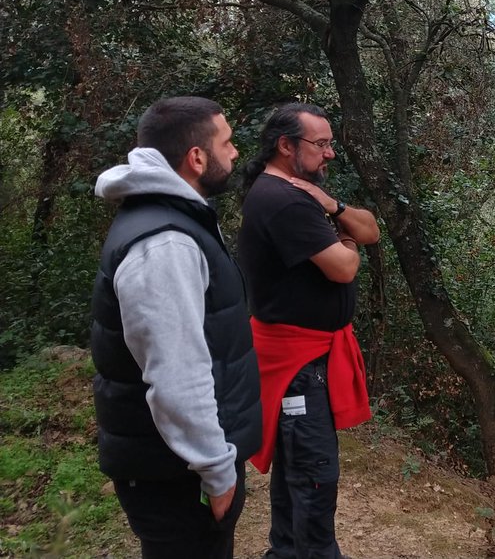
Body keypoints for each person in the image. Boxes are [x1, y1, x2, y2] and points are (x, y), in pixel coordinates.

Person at [90, 96, 262, 559]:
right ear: (196, 158)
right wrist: (217, 470)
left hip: (175, 466)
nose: (235, 152)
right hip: (176, 475)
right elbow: (176, 376)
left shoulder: (174, 218)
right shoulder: (166, 243)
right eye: (227, 143)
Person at [238, 103, 379, 559]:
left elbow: (372, 230)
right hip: (298, 364)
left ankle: (282, 551)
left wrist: (333, 206)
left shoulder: (300, 194)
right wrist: (346, 239)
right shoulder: (282, 201)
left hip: (308, 359)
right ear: (286, 146)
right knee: (314, 475)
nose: (330, 154)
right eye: (321, 145)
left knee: (296, 471)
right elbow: (345, 267)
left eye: (329, 143)